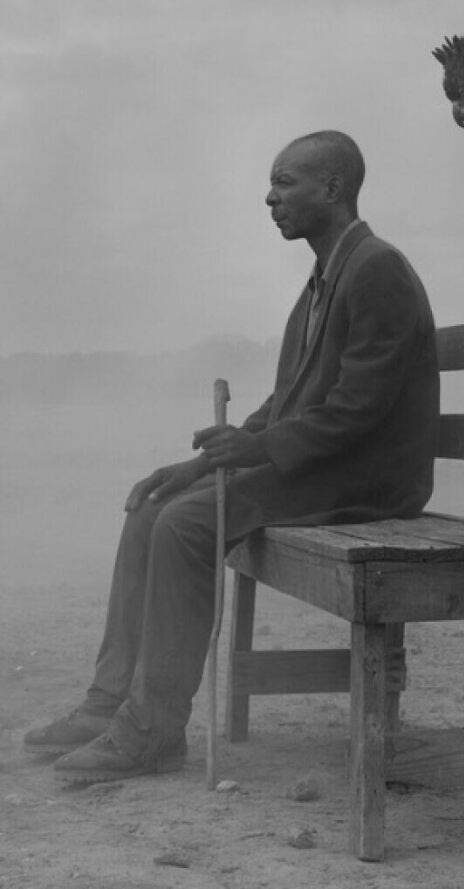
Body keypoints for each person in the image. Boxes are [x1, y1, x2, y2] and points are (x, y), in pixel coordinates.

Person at [24, 130, 440, 783]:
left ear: (332, 188)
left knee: (184, 526)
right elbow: (290, 401)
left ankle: (152, 731)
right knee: (155, 505)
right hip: (324, 463)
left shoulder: (376, 267)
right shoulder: (327, 275)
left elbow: (359, 408)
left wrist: (257, 450)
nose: (268, 197)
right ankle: (109, 704)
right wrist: (208, 462)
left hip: (369, 480)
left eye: (284, 182)